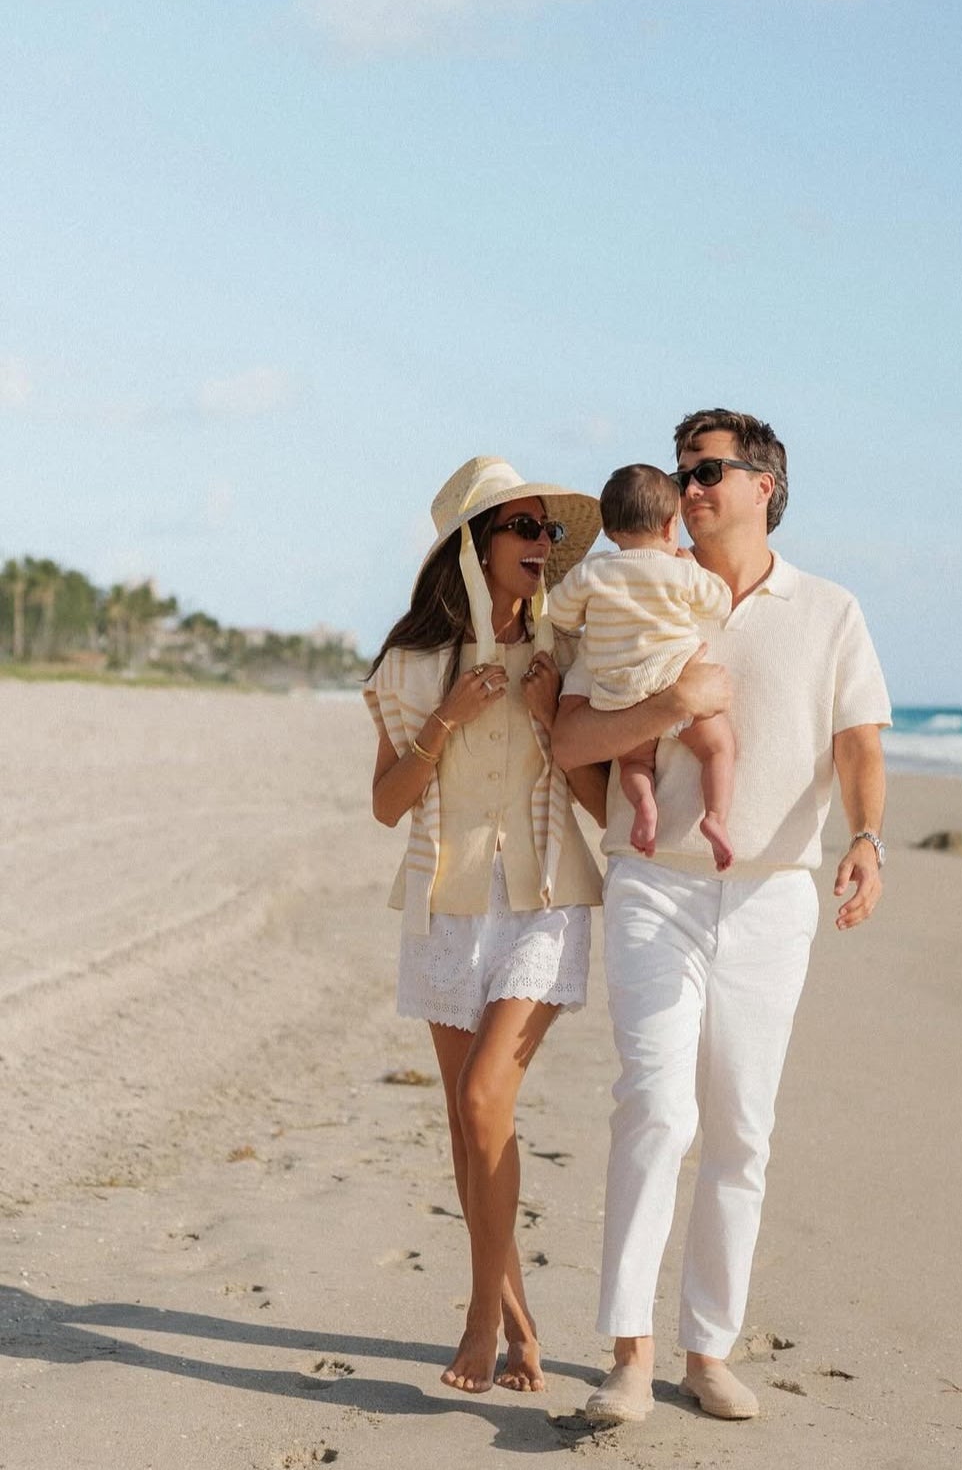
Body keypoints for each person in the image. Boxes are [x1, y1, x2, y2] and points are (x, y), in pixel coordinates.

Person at [552, 409, 891, 1425]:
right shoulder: (636, 583)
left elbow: (860, 744)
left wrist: (867, 839)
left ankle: (707, 1349)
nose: (690, 487)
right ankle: (627, 1353)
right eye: (682, 471)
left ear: (764, 485)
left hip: (775, 892)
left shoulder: (829, 609)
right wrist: (663, 711)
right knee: (655, 1106)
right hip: (657, 881)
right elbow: (571, 735)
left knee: (741, 1124)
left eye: (709, 470)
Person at [364, 456, 606, 1396]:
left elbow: (595, 799)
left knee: (479, 1103)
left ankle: (477, 1321)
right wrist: (447, 721)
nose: (542, 546)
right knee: (469, 1128)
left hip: (543, 897)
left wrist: (550, 717)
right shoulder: (410, 666)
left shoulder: (566, 658)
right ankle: (516, 1316)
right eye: (524, 528)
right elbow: (387, 805)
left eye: (550, 531)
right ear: (475, 544)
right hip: (444, 903)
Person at [545, 463, 735, 871]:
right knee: (719, 748)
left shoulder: (593, 572)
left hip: (619, 698)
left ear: (610, 530)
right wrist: (694, 566)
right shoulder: (679, 569)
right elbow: (719, 602)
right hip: (674, 677)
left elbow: (558, 612)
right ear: (671, 527)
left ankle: (644, 805)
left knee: (633, 763)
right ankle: (716, 817)